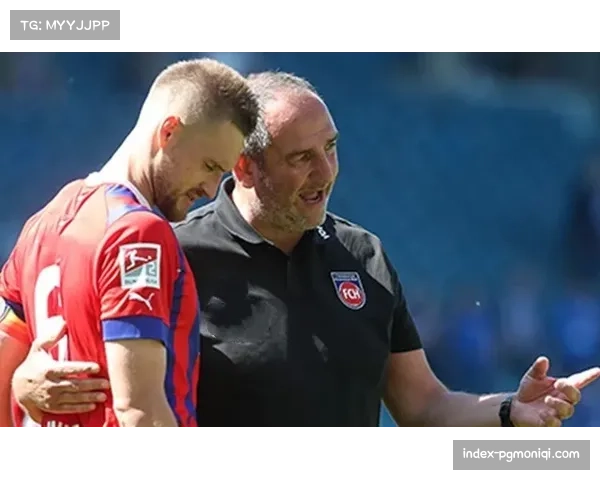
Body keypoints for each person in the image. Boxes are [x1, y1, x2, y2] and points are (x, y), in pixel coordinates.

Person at [8, 71, 600, 431]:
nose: (327, 172)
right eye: (301, 158)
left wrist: (510, 411)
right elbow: (90, 372)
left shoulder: (364, 255)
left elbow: (424, 407)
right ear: (244, 166)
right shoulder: (173, 249)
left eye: (331, 149)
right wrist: (21, 385)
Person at [0, 58, 263, 429]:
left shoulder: (41, 224)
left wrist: (19, 388)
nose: (210, 190)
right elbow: (140, 412)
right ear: (169, 132)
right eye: (209, 166)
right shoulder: (137, 234)